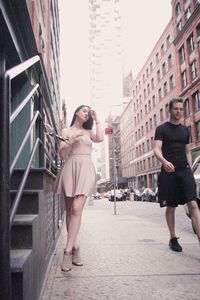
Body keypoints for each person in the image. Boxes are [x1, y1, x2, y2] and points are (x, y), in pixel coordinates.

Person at [54, 105, 104, 271]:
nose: (87, 113)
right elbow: (62, 153)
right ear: (76, 112)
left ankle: (67, 252)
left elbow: (101, 137)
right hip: (71, 167)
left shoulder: (89, 132)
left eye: (89, 112)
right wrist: (72, 140)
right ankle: (75, 247)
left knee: (76, 209)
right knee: (69, 211)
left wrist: (97, 118)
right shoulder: (66, 130)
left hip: (86, 169)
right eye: (84, 110)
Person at [153, 97, 200, 252]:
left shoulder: (185, 130)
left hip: (184, 171)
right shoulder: (162, 129)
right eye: (176, 109)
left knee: (193, 204)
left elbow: (187, 150)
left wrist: (188, 167)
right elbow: (157, 149)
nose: (179, 112)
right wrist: (164, 162)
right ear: (170, 110)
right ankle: (173, 238)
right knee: (171, 207)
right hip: (169, 172)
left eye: (181, 109)